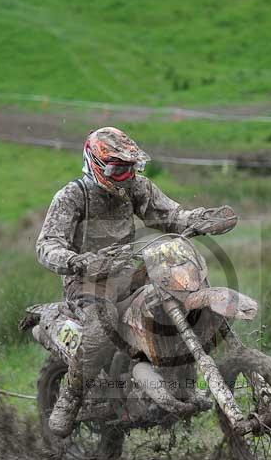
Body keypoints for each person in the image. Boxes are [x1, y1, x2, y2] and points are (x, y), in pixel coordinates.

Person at [36, 126, 235, 438]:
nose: (125, 176)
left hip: (128, 272)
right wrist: (77, 260)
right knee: (105, 323)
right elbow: (46, 245)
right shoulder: (73, 196)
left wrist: (198, 219)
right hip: (88, 283)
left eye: (130, 168)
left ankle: (181, 382)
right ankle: (70, 399)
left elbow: (170, 215)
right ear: (95, 164)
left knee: (178, 296)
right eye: (117, 168)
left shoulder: (135, 187)